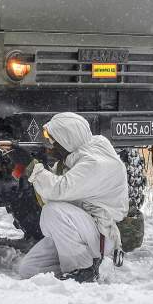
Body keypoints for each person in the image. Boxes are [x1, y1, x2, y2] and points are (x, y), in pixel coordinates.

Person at [17, 112, 128, 283]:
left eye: (53, 141)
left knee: (53, 212)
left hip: (100, 235)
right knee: (30, 269)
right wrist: (30, 167)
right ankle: (85, 267)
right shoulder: (74, 158)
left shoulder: (94, 163)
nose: (49, 147)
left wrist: (32, 167)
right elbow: (50, 192)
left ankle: (82, 270)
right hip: (79, 231)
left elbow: (56, 190)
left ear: (67, 140)